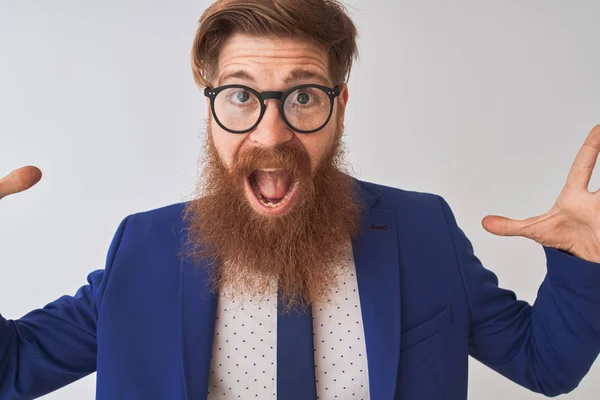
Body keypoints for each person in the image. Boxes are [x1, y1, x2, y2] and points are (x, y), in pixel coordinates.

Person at [1, 0, 600, 399]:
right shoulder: (146, 246)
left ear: (339, 107)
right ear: (209, 107)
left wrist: (586, 260)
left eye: (304, 97)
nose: (271, 133)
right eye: (241, 96)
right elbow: (12, 369)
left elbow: (544, 363)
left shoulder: (422, 230)